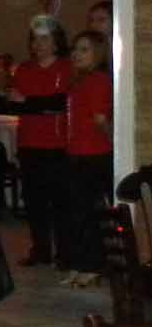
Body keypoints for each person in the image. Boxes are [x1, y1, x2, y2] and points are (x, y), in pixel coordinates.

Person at [5, 16, 74, 269]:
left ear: (56, 42)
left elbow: (60, 104)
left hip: (58, 146)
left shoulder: (66, 68)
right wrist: (37, 105)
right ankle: (41, 249)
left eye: (44, 39)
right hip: (29, 144)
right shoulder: (24, 69)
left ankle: (65, 252)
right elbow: (14, 105)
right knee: (34, 203)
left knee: (61, 203)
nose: (38, 44)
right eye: (35, 40)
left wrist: (29, 102)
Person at [64, 28, 112, 284]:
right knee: (77, 213)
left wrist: (112, 142)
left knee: (90, 214)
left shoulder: (98, 80)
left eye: (84, 49)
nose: (77, 54)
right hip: (77, 153)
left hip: (93, 155)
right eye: (75, 49)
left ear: (98, 53)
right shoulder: (79, 81)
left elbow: (101, 119)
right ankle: (79, 263)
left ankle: (92, 266)